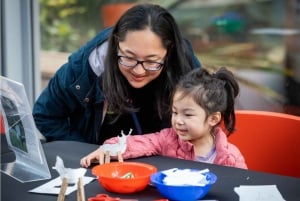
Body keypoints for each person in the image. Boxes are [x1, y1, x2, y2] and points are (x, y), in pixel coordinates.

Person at [33, 3, 201, 144]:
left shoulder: (184, 64)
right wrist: (86, 153)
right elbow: (45, 115)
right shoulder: (87, 66)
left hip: (164, 163)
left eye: (151, 61)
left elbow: (204, 120)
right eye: (128, 57)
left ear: (169, 51)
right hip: (100, 164)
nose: (138, 71)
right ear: (115, 43)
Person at [80, 67, 247, 169]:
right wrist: (107, 149)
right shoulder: (168, 139)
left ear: (213, 119)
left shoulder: (230, 157)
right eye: (175, 112)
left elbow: (242, 187)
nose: (178, 120)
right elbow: (138, 143)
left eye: (188, 114)